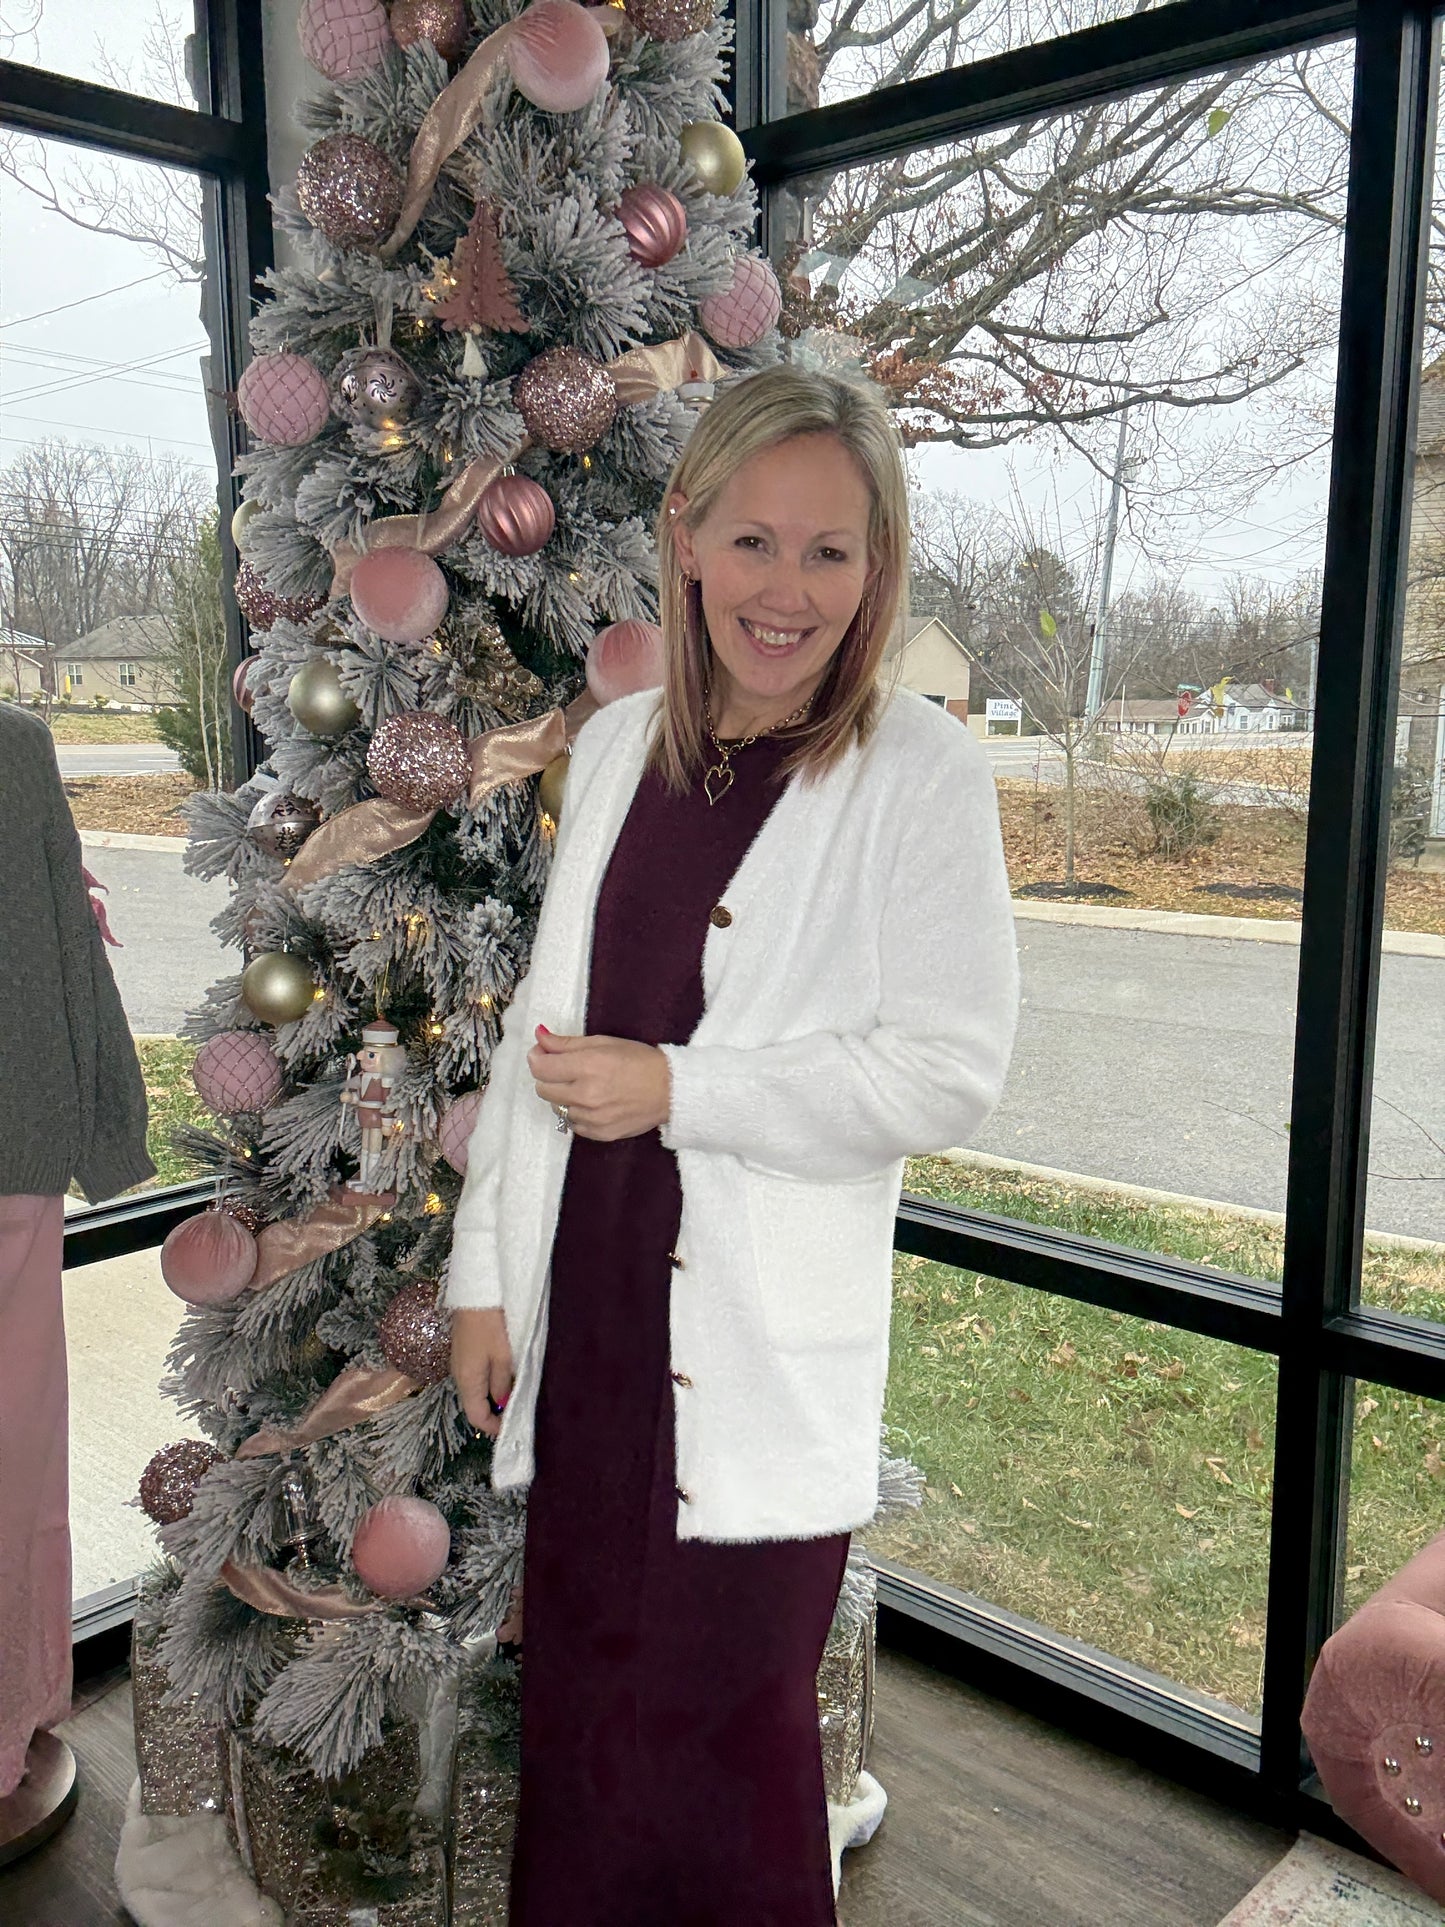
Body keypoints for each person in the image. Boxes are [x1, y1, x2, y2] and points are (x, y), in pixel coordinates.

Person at [444, 364, 1020, 1925]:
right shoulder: (622, 742)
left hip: (758, 1358)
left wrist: (686, 1091)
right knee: (579, 1727)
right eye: (753, 540)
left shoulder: (919, 774)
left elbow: (950, 1070)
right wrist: (481, 1283)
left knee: (728, 1752)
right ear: (684, 537)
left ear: (879, 569)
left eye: (831, 550)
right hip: (595, 1319)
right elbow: (538, 1047)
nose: (788, 588)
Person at [0, 702, 155, 1853]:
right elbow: (60, 937)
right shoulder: (10, 746)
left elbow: (55, 928)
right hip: (13, 1148)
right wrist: (105, 1127)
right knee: (13, 1452)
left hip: (13, 1149)